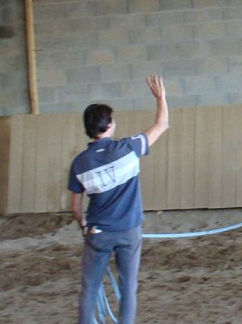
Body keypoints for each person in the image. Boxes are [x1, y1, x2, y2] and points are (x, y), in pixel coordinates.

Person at [68, 74, 169, 324]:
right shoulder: (128, 148)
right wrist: (161, 99)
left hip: (97, 232)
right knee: (128, 289)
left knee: (89, 289)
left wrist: (83, 226)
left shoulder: (80, 162)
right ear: (109, 125)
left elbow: (75, 207)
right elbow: (162, 125)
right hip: (129, 230)